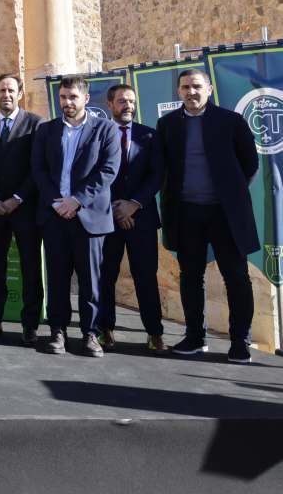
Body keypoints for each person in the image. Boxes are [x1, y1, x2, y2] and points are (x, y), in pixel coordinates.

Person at [154, 69, 259, 363]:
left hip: (226, 215)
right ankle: (194, 337)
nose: (192, 92)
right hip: (186, 213)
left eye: (197, 86)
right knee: (190, 277)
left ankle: (240, 341)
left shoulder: (231, 122)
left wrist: (229, 195)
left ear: (209, 89)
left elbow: (249, 164)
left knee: (237, 277)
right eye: (185, 87)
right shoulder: (167, 124)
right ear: (178, 92)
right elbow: (163, 169)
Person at [31, 75, 121, 357]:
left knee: (91, 280)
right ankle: (57, 331)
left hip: (90, 217)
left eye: (72, 97)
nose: (67, 102)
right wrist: (57, 202)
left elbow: (108, 170)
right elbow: (39, 169)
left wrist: (77, 201)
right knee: (56, 278)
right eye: (63, 97)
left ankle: (90, 334)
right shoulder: (46, 131)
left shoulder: (105, 129)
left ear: (85, 98)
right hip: (55, 214)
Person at [0, 73, 46, 345]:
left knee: (30, 269)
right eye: (1, 90)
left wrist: (17, 198)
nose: (5, 94)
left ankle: (30, 326)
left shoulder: (36, 124)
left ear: (19, 94)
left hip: (25, 209)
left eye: (10, 90)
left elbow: (37, 167)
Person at [97, 84, 166, 352]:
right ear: (110, 104)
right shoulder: (99, 134)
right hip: (106, 217)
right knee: (106, 276)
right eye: (122, 101)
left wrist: (133, 205)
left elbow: (156, 175)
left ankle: (155, 333)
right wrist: (116, 206)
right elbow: (94, 173)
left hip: (142, 218)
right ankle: (105, 329)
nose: (128, 106)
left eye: (131, 101)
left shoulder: (150, 136)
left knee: (146, 277)